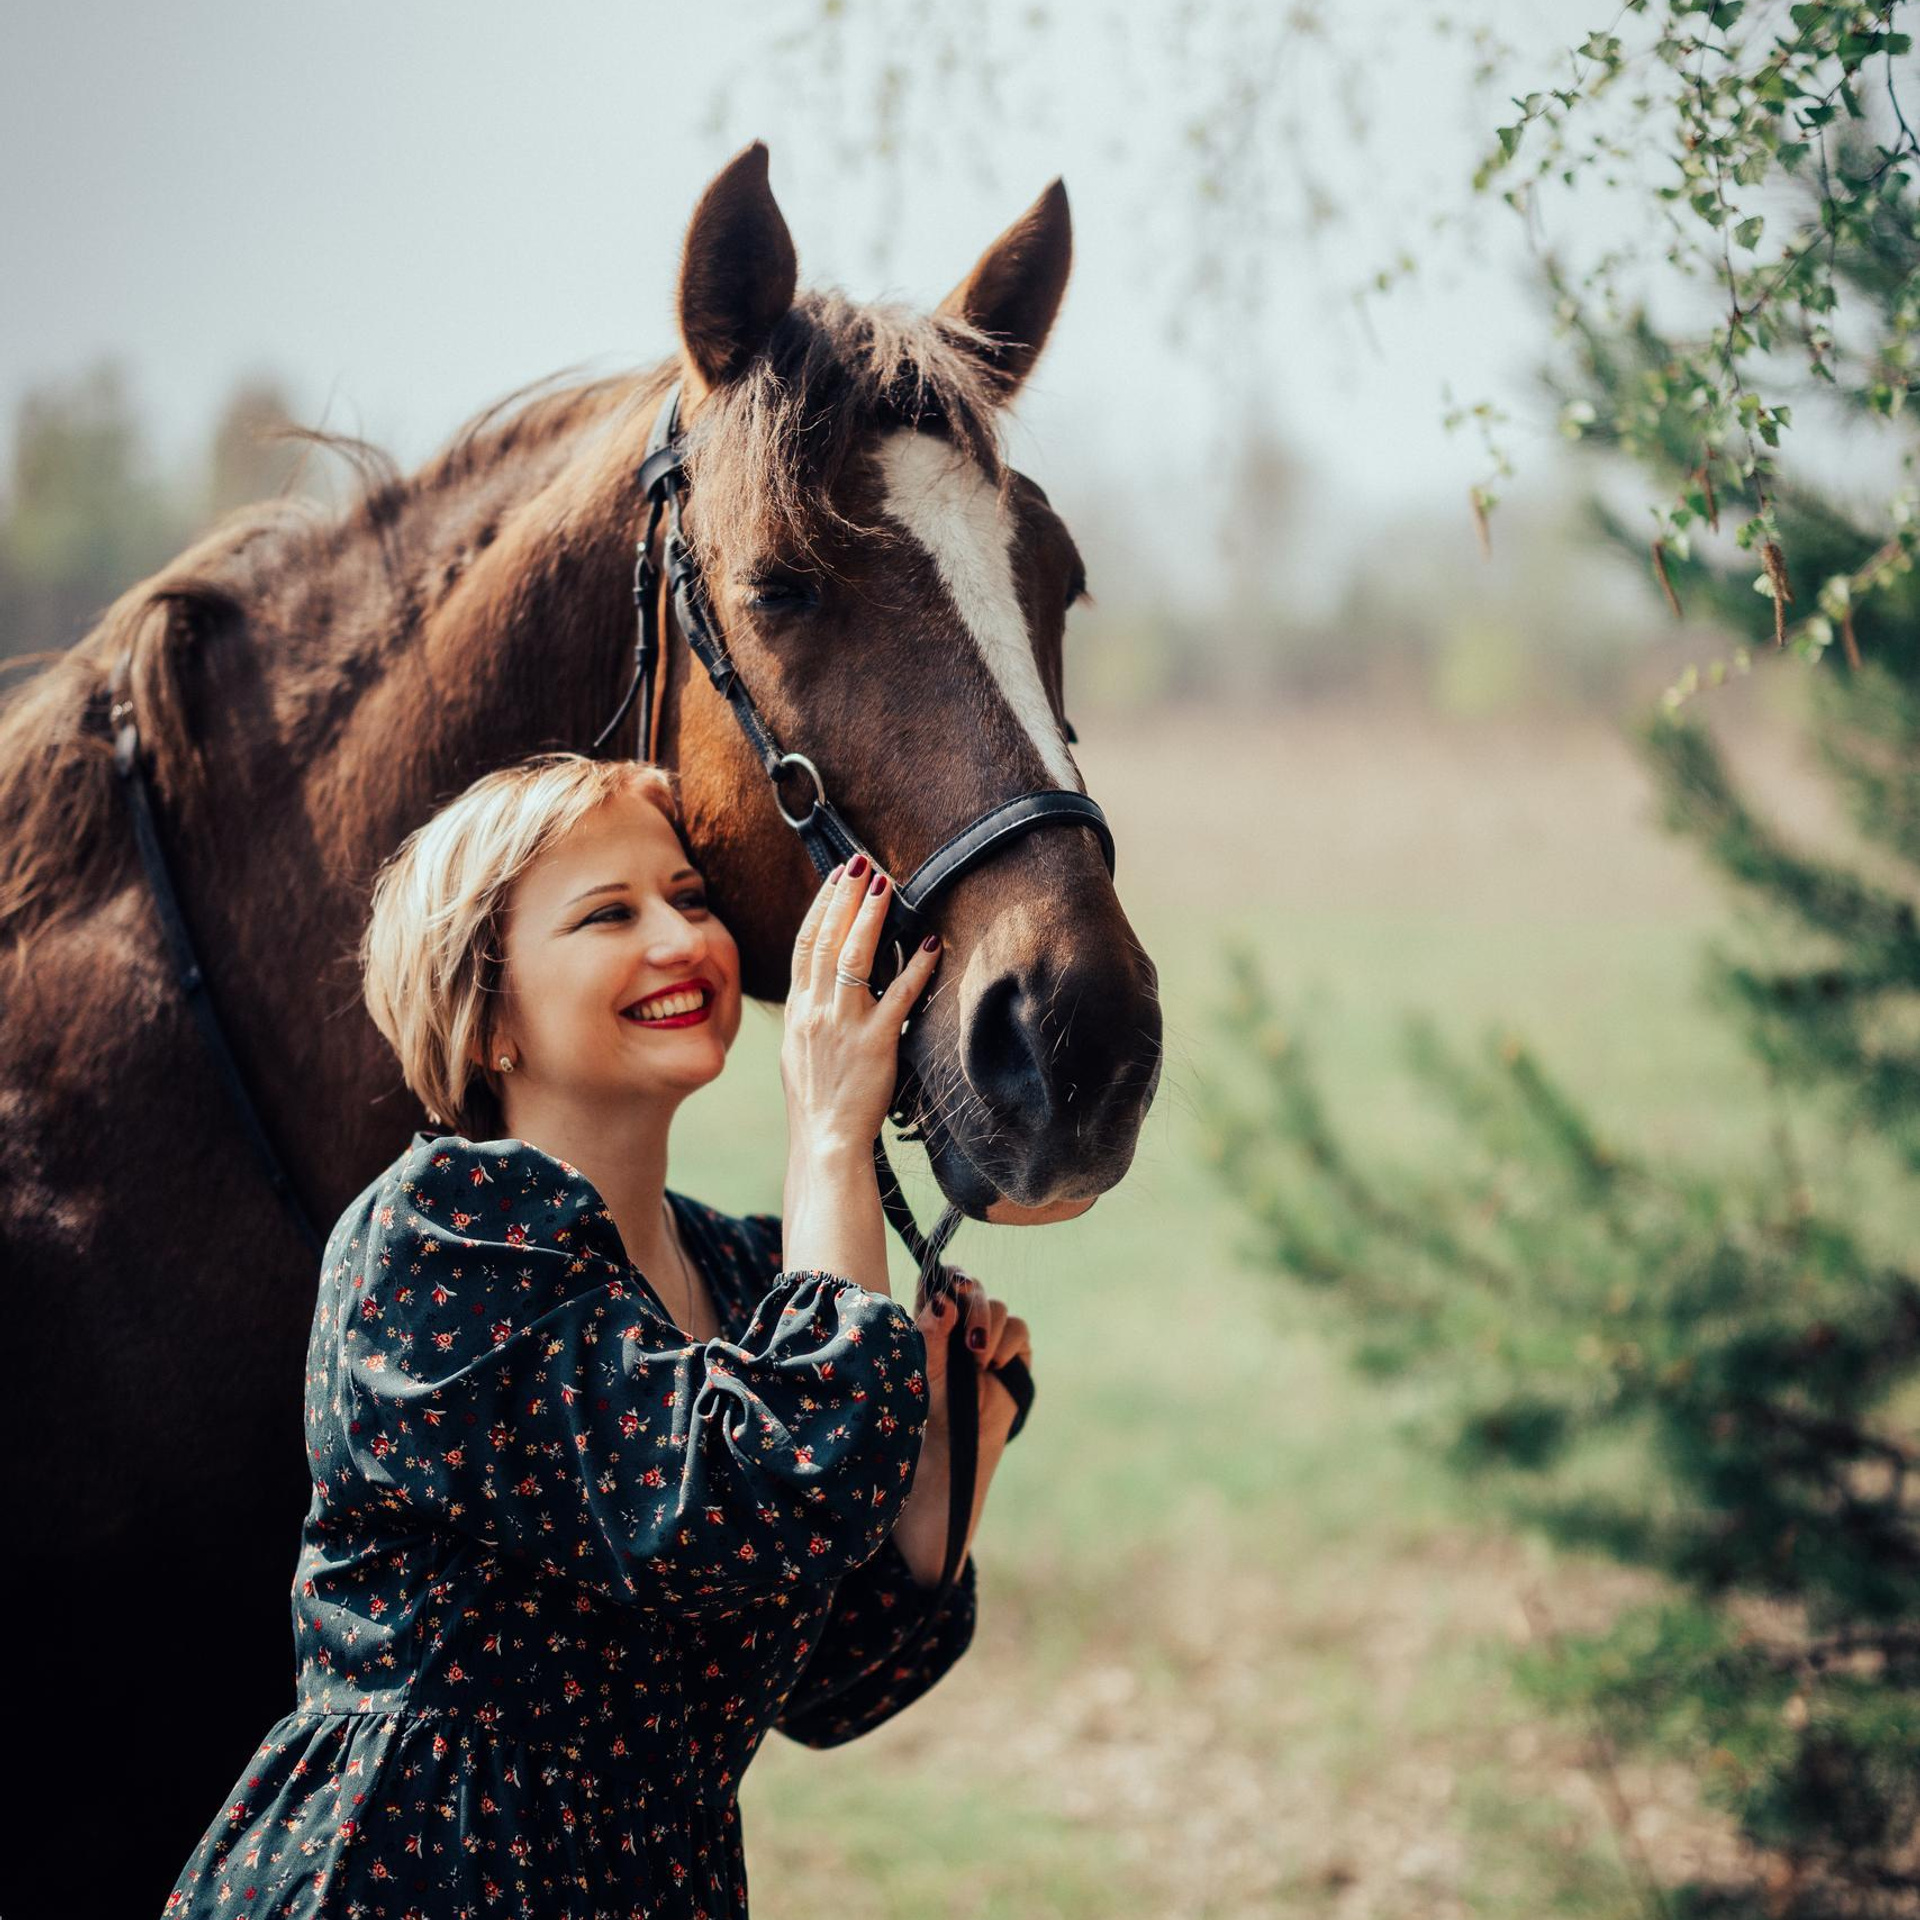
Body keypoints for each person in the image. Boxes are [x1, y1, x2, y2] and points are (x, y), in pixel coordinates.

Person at [161, 751, 1032, 1917]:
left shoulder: (746, 1268)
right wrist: (831, 1133)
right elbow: (757, 1488)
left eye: (689, 897)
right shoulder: (436, 1240)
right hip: (415, 1876)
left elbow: (817, 1688)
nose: (681, 940)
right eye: (609, 913)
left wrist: (930, 1488)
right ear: (488, 1019)